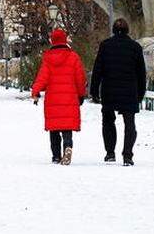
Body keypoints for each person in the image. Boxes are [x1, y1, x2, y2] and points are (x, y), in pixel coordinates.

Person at [90, 17, 147, 165]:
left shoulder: (105, 46)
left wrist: (94, 90)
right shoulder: (135, 47)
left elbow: (98, 70)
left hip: (109, 90)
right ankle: (127, 155)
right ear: (128, 30)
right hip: (129, 91)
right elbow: (141, 73)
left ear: (113, 31)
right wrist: (140, 93)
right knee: (129, 123)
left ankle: (110, 152)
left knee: (108, 120)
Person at [30, 27, 87, 164]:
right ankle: (67, 146)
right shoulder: (74, 57)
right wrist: (81, 94)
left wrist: (35, 91)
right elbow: (80, 79)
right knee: (67, 127)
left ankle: (56, 156)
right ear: (65, 40)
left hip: (53, 99)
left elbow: (42, 77)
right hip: (69, 98)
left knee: (54, 128)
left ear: (52, 41)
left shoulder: (47, 59)